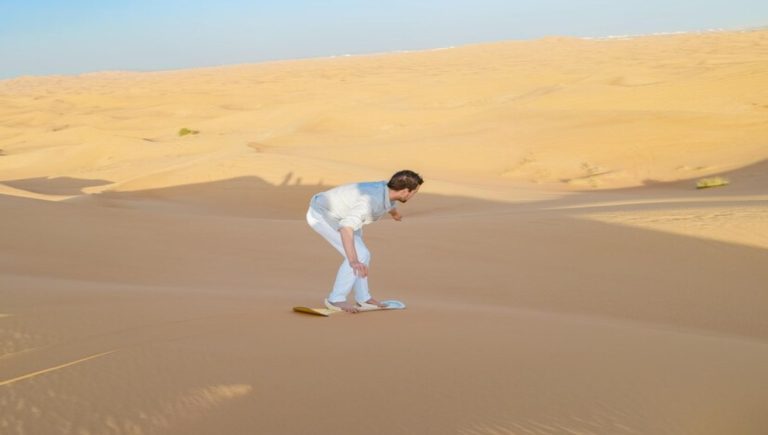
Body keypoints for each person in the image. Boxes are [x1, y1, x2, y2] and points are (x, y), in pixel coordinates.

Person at [306, 170, 423, 313]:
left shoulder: (387, 188)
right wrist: (353, 260)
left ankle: (363, 299)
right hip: (322, 215)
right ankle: (335, 300)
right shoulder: (369, 202)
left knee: (364, 255)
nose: (413, 195)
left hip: (343, 214)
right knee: (359, 255)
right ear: (405, 191)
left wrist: (394, 213)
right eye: (414, 192)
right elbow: (345, 228)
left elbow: (389, 202)